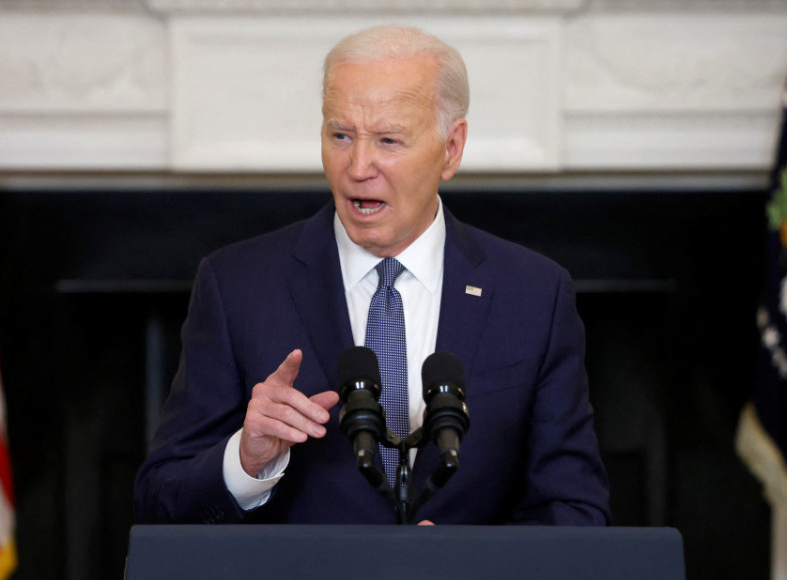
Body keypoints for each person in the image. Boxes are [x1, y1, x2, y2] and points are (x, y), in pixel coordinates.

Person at [134, 25, 610, 525]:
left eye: (388, 140)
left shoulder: (533, 293)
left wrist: (476, 565)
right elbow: (159, 503)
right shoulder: (237, 286)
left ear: (452, 148)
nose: (358, 166)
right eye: (340, 135)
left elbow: (574, 508)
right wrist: (246, 461)